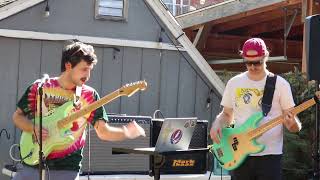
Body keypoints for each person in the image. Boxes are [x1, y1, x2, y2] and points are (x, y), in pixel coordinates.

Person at [12, 41, 146, 180]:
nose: (88, 75)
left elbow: (103, 132)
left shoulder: (89, 96)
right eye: (84, 69)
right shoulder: (39, 88)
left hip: (66, 169)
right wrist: (33, 127)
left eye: (90, 70)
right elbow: (18, 116)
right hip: (31, 164)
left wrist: (126, 132)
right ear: (68, 66)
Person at [209, 38, 301, 180]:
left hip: (270, 156)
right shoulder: (234, 83)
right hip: (238, 153)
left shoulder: (280, 85)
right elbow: (226, 114)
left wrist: (293, 125)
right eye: (248, 62)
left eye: (257, 62)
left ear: (266, 57)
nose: (252, 67)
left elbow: (293, 124)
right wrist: (217, 125)